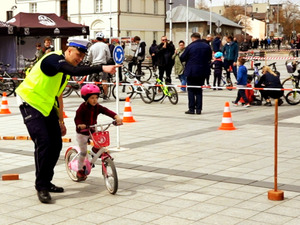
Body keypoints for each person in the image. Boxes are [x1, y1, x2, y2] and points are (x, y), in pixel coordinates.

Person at [16, 39, 120, 204]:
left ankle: (47, 181)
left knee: (56, 144)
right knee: (43, 142)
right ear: (69, 50)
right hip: (29, 102)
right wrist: (102, 67)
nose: (79, 58)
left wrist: (61, 121)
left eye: (82, 56)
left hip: (46, 106)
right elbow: (74, 70)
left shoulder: (64, 73)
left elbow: (58, 96)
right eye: (78, 55)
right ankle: (41, 186)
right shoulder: (53, 59)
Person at [75, 84, 123, 181]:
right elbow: (77, 119)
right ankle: (79, 170)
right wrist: (80, 124)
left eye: (96, 97)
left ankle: (94, 153)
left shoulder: (97, 107)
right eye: (92, 98)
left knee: (101, 142)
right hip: (82, 132)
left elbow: (106, 111)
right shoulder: (82, 108)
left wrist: (116, 117)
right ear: (86, 98)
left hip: (93, 130)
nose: (95, 100)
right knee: (83, 152)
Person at [180, 32, 212, 115]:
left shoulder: (190, 46)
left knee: (191, 90)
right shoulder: (207, 46)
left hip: (191, 71)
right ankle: (198, 109)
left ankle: (191, 109)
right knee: (199, 90)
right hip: (203, 71)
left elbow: (182, 58)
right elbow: (209, 57)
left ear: (193, 38)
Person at [87, 32, 111, 100]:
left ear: (96, 39)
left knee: (94, 80)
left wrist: (90, 61)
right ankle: (105, 95)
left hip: (94, 65)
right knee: (104, 80)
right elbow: (108, 56)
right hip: (102, 65)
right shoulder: (105, 46)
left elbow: (89, 56)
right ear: (103, 38)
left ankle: (93, 93)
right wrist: (106, 60)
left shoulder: (92, 46)